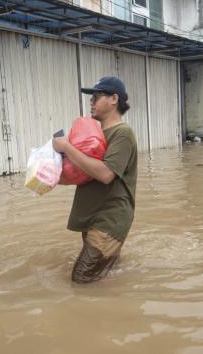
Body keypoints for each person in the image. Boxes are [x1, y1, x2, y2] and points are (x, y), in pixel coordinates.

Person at [52, 77, 138, 283]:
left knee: (81, 281)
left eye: (96, 97)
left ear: (114, 99)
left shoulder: (122, 133)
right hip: (93, 217)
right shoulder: (95, 135)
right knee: (102, 278)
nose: (91, 102)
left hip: (108, 219)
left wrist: (67, 148)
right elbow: (81, 170)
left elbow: (106, 174)